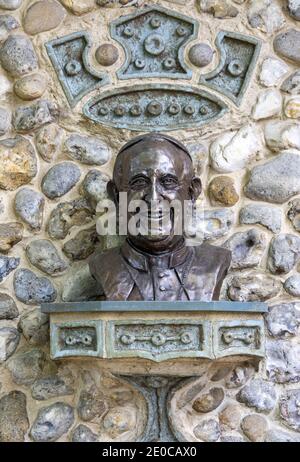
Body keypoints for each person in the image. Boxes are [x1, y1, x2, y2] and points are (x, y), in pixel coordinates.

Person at [89, 133, 231, 301]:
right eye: (139, 183)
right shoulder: (104, 267)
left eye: (168, 182)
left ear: (192, 193)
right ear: (117, 195)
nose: (153, 198)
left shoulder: (215, 262)